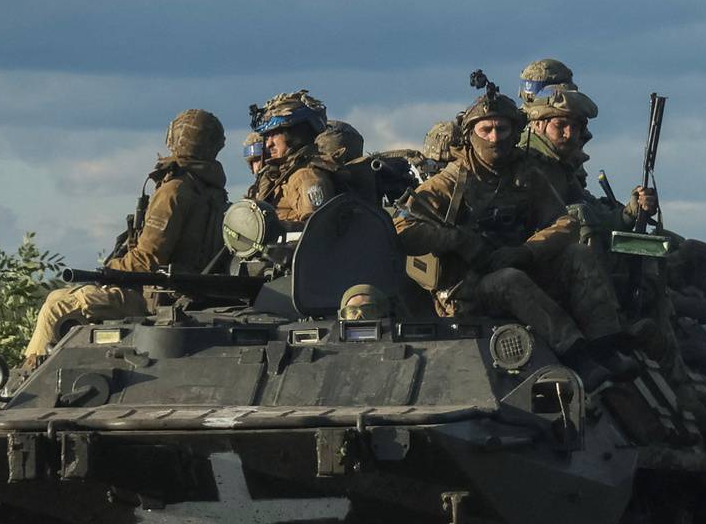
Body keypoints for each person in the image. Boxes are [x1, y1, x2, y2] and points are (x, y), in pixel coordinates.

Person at [394, 84, 635, 385]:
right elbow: (402, 226)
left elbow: (564, 223)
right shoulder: (452, 180)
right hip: (469, 289)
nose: (494, 138)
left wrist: (527, 251)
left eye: (502, 130)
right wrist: (459, 241)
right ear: (471, 134)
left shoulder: (526, 175)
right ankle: (576, 355)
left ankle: (605, 346)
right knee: (509, 281)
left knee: (578, 254)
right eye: (486, 130)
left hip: (520, 265)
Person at [21, 109, 228, 367]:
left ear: (176, 138)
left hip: (153, 297)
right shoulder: (213, 192)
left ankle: (27, 375)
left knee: (57, 307)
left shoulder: (174, 190)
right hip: (181, 294)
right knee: (56, 297)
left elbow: (147, 259)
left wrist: (108, 272)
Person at [250, 90, 341, 225]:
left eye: (275, 135)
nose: (268, 144)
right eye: (267, 137)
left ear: (294, 134)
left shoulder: (306, 177)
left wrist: (275, 230)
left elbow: (316, 230)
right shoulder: (279, 175)